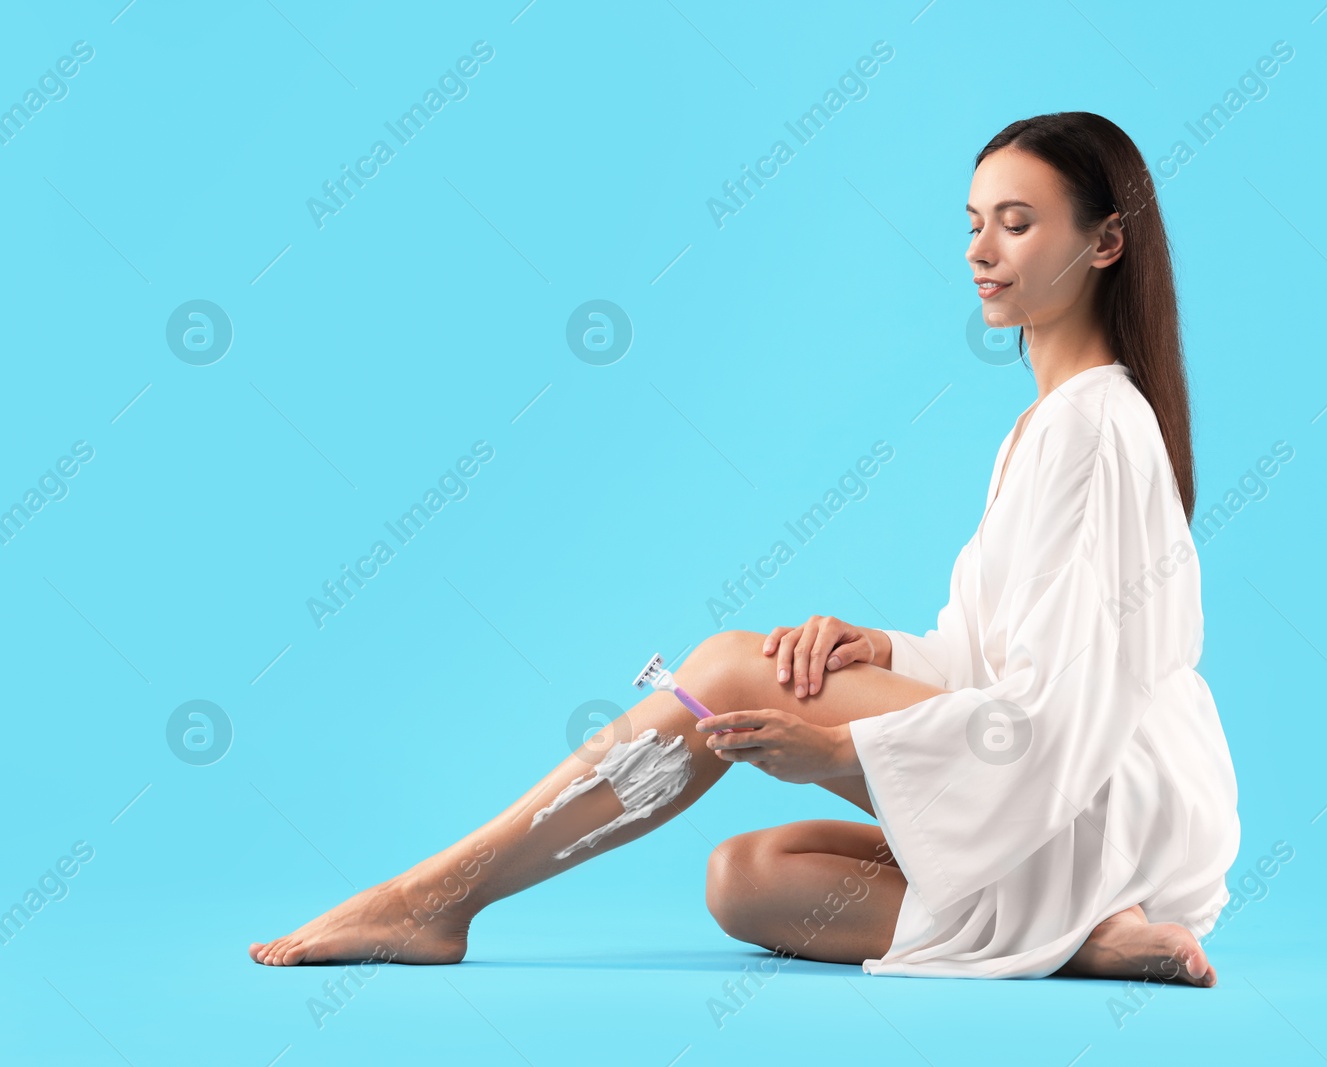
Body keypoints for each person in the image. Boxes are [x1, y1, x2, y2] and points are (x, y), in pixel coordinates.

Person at [249, 111, 1240, 986]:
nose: (982, 250)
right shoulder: (1049, 421)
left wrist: (839, 746)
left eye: (1017, 223)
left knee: (727, 665)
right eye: (973, 222)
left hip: (1095, 791)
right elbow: (1003, 654)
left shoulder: (1093, 429)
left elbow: (1065, 707)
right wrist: (884, 653)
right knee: (747, 880)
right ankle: (1076, 936)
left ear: (1106, 240)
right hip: (1055, 781)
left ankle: (436, 896)